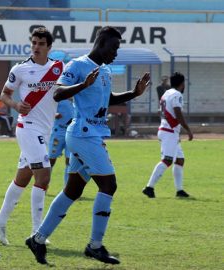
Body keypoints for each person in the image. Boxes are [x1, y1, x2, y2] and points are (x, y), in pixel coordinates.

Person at [25, 26, 150, 265]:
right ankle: (95, 246)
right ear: (101, 43)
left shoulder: (104, 70)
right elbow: (58, 93)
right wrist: (82, 85)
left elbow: (108, 99)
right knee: (109, 184)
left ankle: (38, 239)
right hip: (84, 135)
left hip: (91, 134)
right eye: (113, 47)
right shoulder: (77, 66)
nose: (115, 53)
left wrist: (134, 93)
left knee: (73, 190)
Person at [0, 27, 63, 246]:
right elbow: (4, 95)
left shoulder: (58, 68)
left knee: (23, 177)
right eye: (34, 43)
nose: (36, 47)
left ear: (49, 47)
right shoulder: (20, 69)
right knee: (44, 176)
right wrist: (16, 105)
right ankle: (36, 233)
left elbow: (60, 92)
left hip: (45, 130)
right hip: (28, 128)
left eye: (41, 43)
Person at [142, 72, 193, 198]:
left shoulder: (167, 93)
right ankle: (149, 187)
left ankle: (179, 190)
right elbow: (177, 112)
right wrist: (188, 129)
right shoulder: (177, 94)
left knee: (179, 160)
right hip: (169, 132)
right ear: (182, 84)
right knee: (167, 160)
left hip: (168, 130)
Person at [48, 98, 75, 185]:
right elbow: (47, 110)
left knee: (70, 160)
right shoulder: (59, 97)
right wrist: (54, 114)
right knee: (51, 158)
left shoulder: (77, 98)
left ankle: (67, 187)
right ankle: (43, 184)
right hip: (58, 131)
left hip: (72, 132)